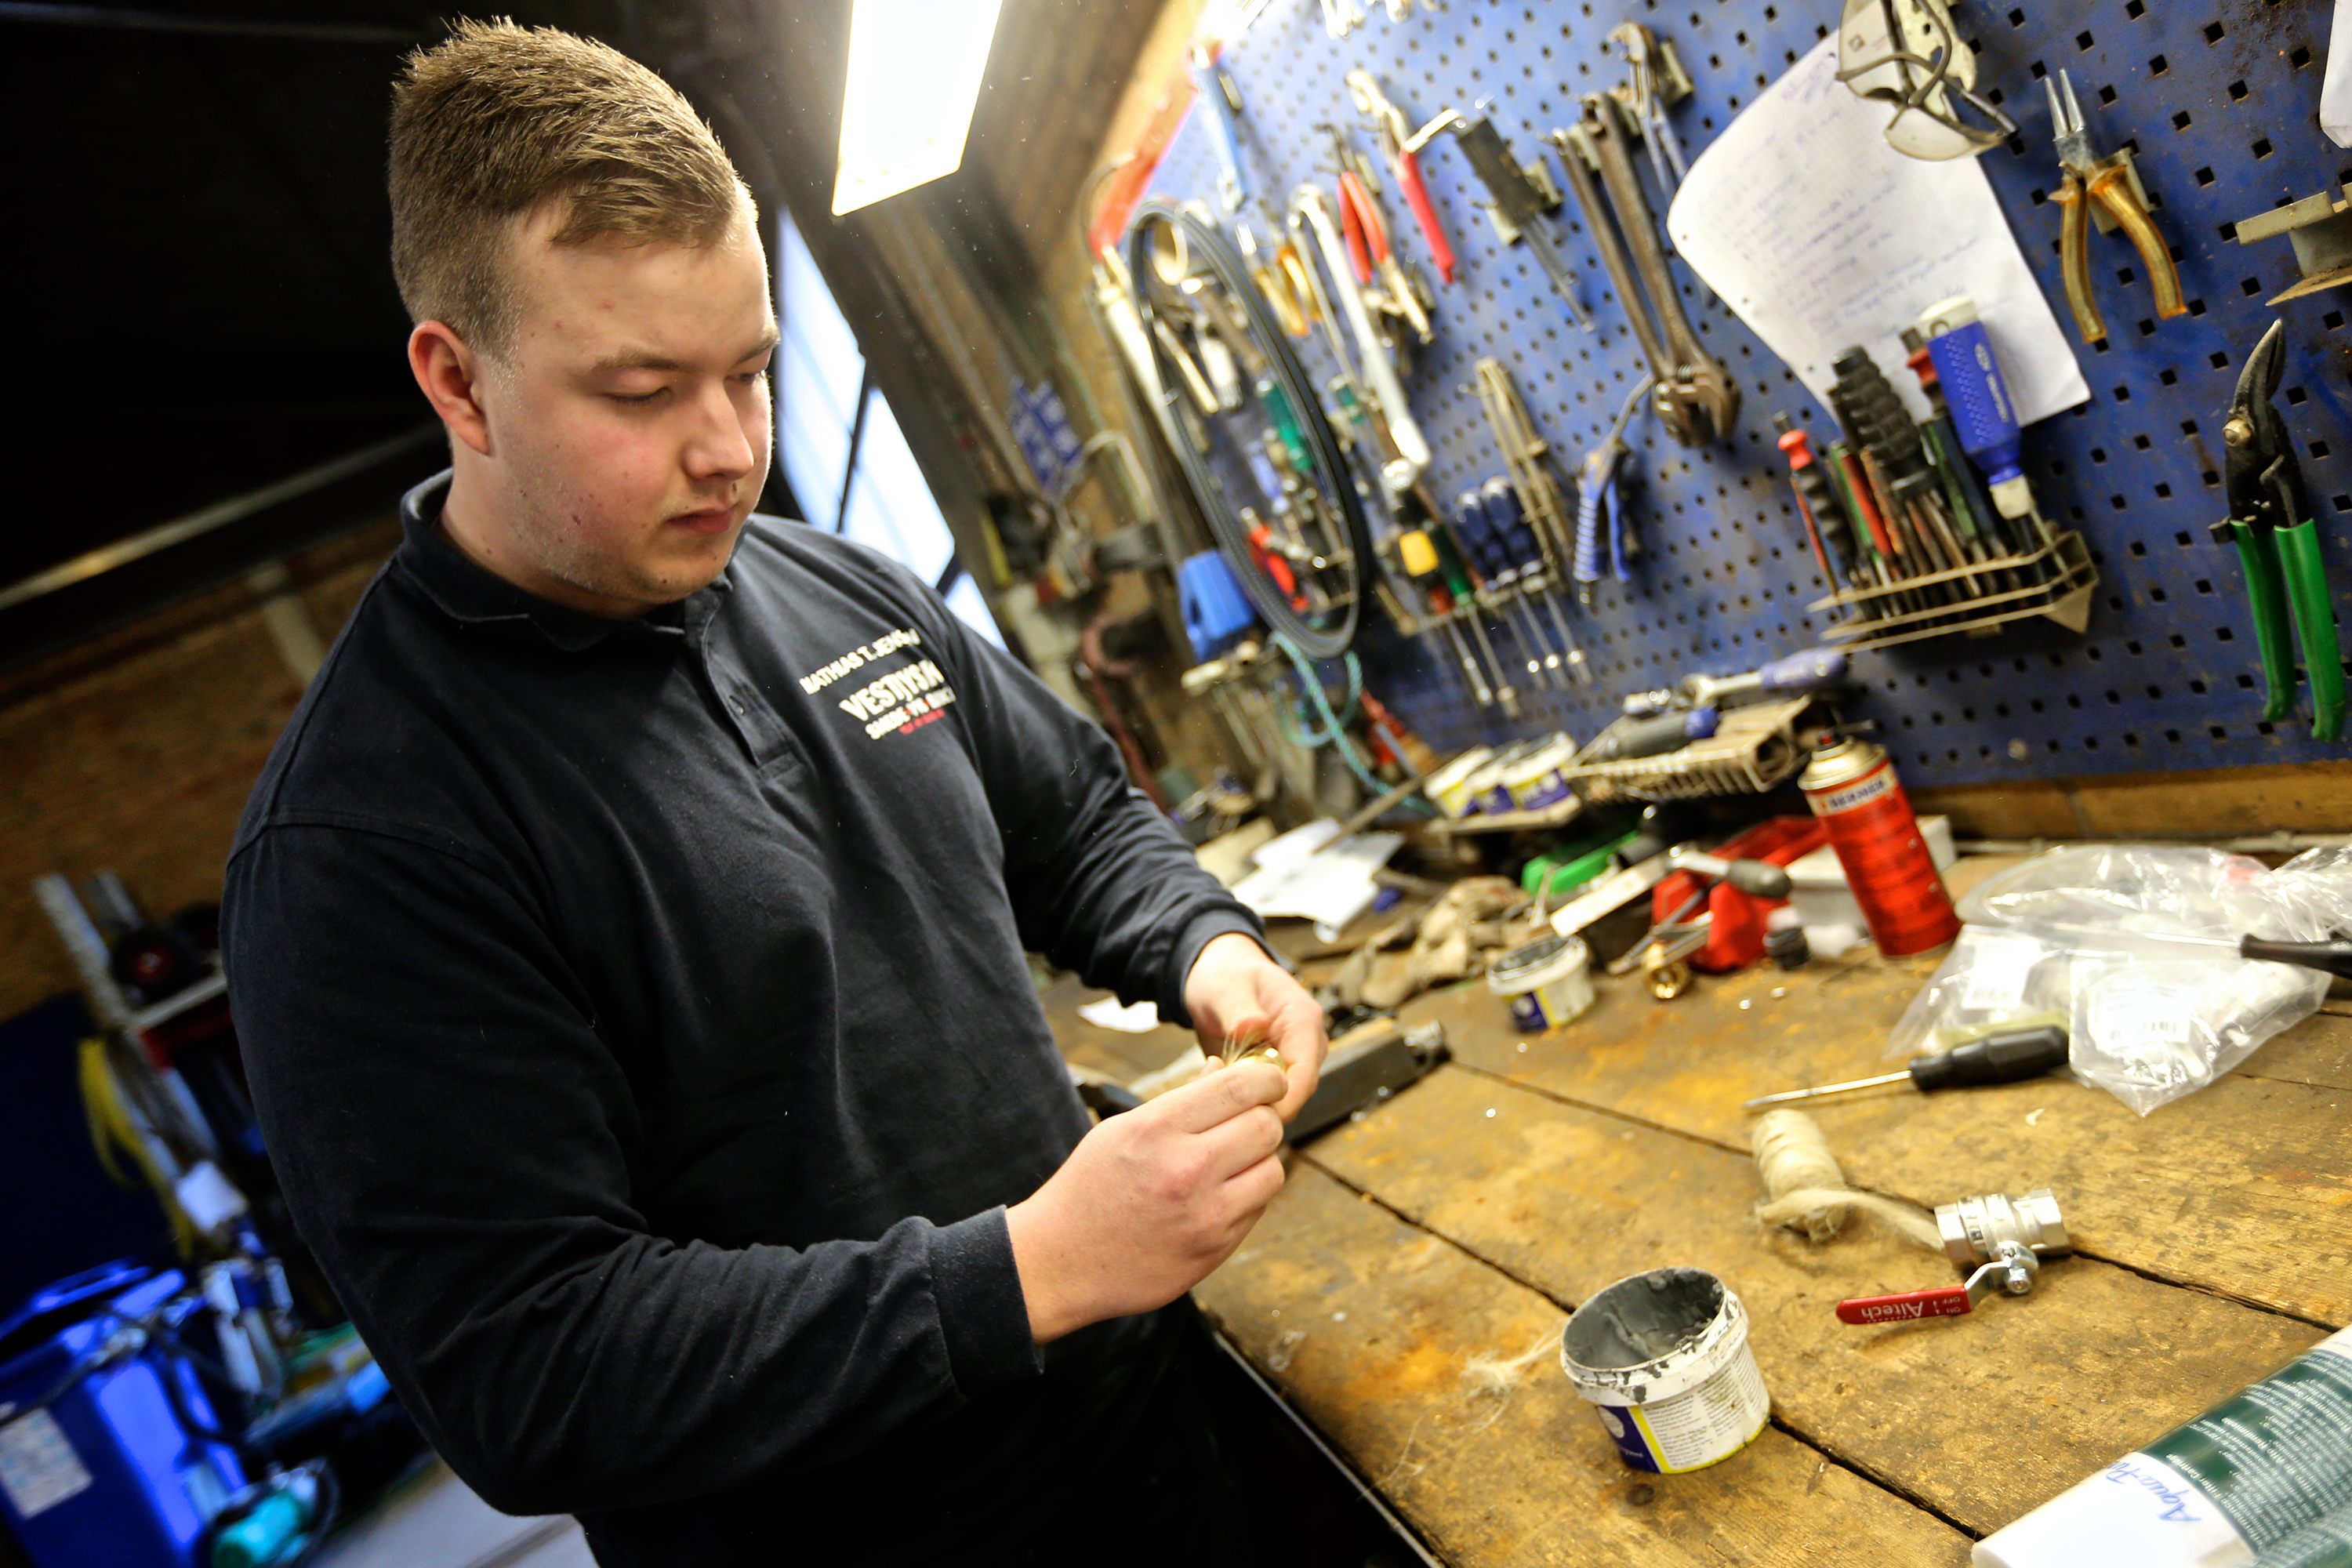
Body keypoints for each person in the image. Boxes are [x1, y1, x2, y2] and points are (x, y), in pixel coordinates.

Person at [220, 20, 1327, 1566]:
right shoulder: (364, 842)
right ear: (458, 381)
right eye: (642, 391)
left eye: (750, 369)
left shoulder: (831, 586)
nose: (730, 450)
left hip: (1160, 1438)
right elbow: (529, 1366)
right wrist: (1025, 1272)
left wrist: (1205, 943)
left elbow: (1070, 819)